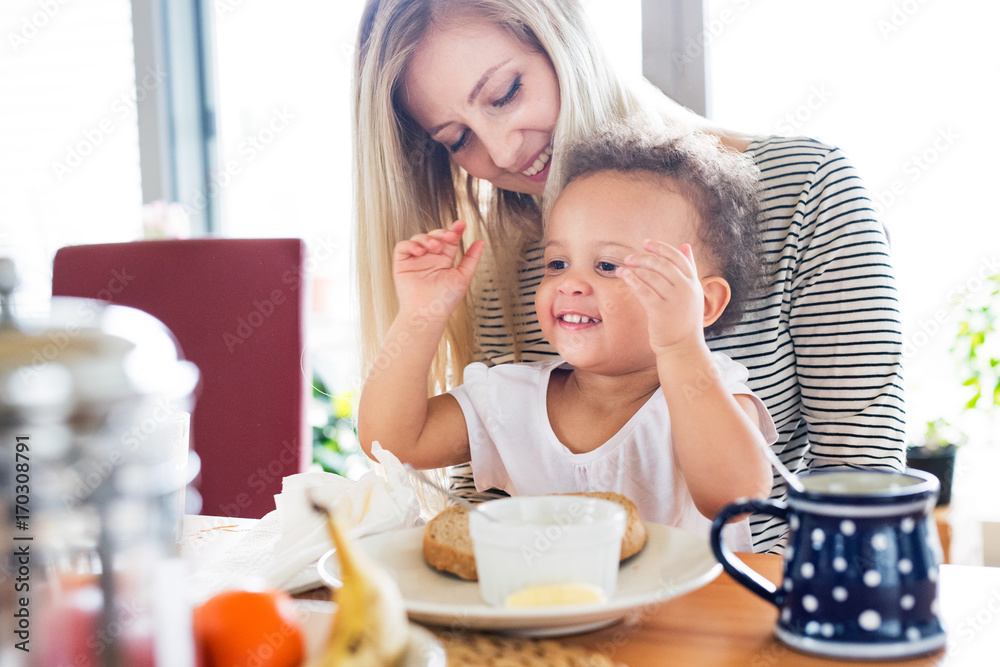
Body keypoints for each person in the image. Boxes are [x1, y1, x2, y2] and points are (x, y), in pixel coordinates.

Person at [353, 0, 905, 553]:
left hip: (747, 614)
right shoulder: (503, 259)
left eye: (504, 93)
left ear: (565, 40)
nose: (501, 150)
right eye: (456, 139)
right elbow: (466, 493)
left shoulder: (807, 191)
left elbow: (860, 488)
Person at [358, 126, 776, 548]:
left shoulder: (708, 396)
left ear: (702, 304)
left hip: (687, 613)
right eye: (557, 263)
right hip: (546, 611)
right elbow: (390, 443)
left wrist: (681, 346)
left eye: (608, 266)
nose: (570, 284)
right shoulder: (510, 399)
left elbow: (736, 499)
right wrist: (420, 313)